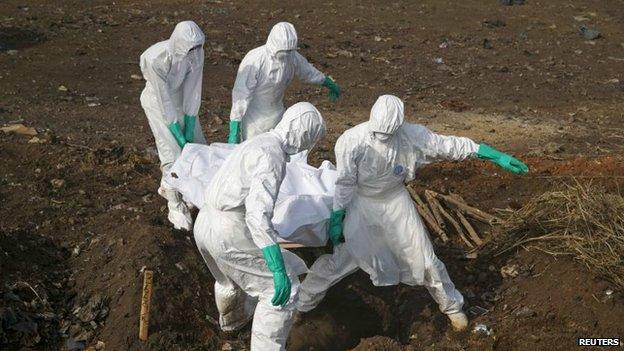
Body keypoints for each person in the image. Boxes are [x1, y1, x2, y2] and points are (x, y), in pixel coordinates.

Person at [296, 95, 528, 331]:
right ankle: (301, 305)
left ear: (398, 127)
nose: (382, 139)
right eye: (378, 134)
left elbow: (448, 146)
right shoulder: (351, 141)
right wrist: (338, 214)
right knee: (346, 257)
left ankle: (452, 308)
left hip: (396, 202)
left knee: (425, 258)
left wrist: (491, 154)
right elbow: (345, 182)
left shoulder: (413, 136)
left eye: (388, 135)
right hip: (362, 204)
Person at [194, 102, 326, 350]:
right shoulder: (272, 156)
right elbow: (257, 213)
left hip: (205, 222)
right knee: (283, 291)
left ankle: (232, 325)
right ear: (304, 134)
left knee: (229, 280)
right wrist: (275, 264)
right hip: (229, 229)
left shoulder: (259, 141)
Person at [140, 21, 207, 231]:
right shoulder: (156, 59)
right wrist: (177, 132)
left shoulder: (196, 54)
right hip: (157, 102)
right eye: (190, 48)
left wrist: (189, 121)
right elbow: (164, 100)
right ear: (178, 43)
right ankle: (175, 205)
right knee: (172, 151)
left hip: (180, 100)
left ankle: (186, 189)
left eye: (198, 47)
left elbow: (193, 88)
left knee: (198, 146)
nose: (194, 52)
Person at [227, 22, 340, 144]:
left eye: (289, 51)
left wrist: (327, 82)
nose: (285, 55)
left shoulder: (292, 57)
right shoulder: (255, 59)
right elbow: (241, 93)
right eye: (283, 51)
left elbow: (308, 72)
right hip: (254, 121)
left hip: (278, 116)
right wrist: (235, 125)